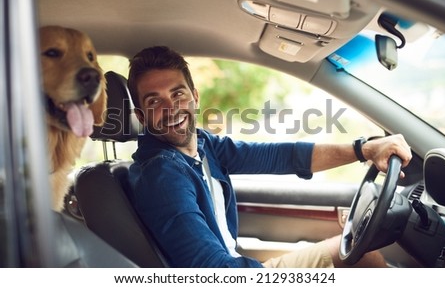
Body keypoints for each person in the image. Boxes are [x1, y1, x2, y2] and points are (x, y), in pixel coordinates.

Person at [126, 46, 412, 268]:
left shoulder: (202, 145)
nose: (171, 108)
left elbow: (280, 156)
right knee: (362, 257)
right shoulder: (162, 175)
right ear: (141, 116)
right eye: (154, 101)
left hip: (235, 265)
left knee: (361, 255)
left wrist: (364, 149)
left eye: (178, 94)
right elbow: (210, 271)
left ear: (195, 96)